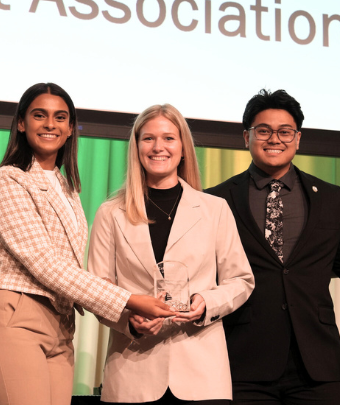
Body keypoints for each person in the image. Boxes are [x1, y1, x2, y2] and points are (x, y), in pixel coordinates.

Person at [0, 83, 175, 405]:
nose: (50, 124)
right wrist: (131, 301)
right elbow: (46, 264)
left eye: (60, 117)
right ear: (22, 123)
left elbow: (74, 270)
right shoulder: (7, 179)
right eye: (40, 115)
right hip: (15, 316)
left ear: (69, 129)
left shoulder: (67, 188)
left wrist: (126, 319)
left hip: (61, 324)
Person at [87, 104, 254, 404]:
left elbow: (241, 280)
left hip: (202, 376)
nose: (158, 147)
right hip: (132, 375)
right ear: (136, 147)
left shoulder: (214, 209)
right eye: (148, 138)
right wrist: (129, 320)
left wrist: (206, 302)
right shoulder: (110, 213)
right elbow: (97, 289)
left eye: (168, 138)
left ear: (183, 148)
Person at [206, 89, 340, 405]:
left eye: (284, 132)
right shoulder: (215, 200)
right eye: (263, 131)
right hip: (243, 362)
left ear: (298, 138)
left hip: (316, 366)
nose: (274, 139)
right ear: (246, 137)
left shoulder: (331, 198)